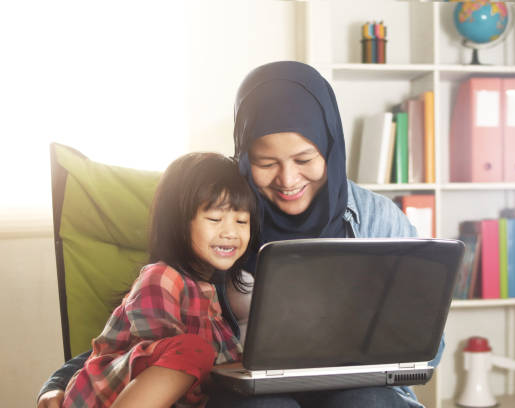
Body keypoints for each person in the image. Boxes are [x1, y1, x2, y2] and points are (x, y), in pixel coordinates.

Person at [38, 61, 443, 408]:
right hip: (253, 390)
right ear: (245, 157)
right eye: (266, 162)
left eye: (305, 159)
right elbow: (136, 336)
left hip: (356, 389)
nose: (288, 180)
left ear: (331, 148)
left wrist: (393, 340)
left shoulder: (375, 219)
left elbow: (427, 341)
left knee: (366, 402)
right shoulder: (224, 215)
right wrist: (59, 381)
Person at [58, 152, 258, 408]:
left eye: (242, 221)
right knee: (194, 351)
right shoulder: (162, 277)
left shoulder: (210, 295)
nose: (230, 232)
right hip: (105, 398)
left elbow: (218, 368)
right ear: (177, 223)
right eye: (215, 219)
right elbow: (164, 359)